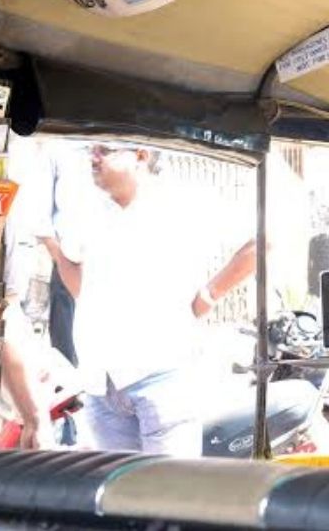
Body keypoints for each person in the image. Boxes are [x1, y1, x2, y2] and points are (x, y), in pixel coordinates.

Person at [40, 143, 256, 456]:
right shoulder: (91, 212)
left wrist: (209, 295)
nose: (94, 157)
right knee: (117, 499)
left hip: (162, 379)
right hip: (103, 387)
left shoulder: (180, 203)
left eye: (106, 149)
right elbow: (80, 290)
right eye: (93, 148)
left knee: (167, 498)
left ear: (141, 155)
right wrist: (52, 246)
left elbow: (261, 243)